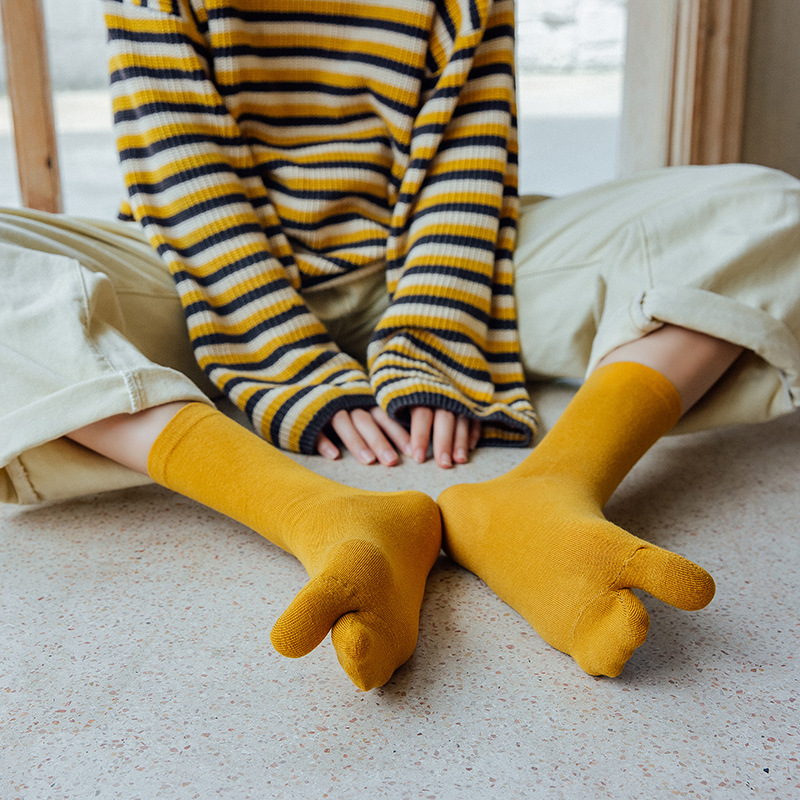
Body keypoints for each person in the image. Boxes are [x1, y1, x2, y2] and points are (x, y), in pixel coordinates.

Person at [2, 0, 799, 690]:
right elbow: (183, 172)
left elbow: (467, 157)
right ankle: (319, 512)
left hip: (435, 256)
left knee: (766, 208)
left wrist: (435, 339)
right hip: (201, 277)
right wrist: (291, 362)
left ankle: (547, 490)